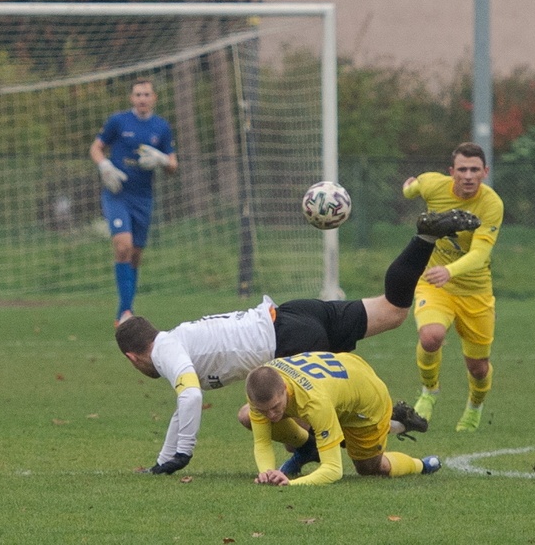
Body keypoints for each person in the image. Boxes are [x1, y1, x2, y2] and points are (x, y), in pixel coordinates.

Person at [115, 208, 480, 475]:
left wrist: (181, 456)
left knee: (285, 423)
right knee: (392, 311)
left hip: (288, 342)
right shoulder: (178, 336)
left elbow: (190, 396)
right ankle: (425, 238)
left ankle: (387, 424)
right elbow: (184, 406)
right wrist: (162, 461)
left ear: (133, 357)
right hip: (290, 314)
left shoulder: (164, 350)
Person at [403, 142, 504, 432]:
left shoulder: (491, 204)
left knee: (478, 368)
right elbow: (414, 187)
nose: (469, 176)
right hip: (435, 285)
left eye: (475, 170)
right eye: (463, 169)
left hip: (475, 292)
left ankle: (474, 406)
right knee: (431, 336)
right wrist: (408, 188)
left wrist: (450, 270)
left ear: (485, 172)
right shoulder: (434, 185)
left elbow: (481, 254)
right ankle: (429, 391)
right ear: (452, 172)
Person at [246, 351, 441, 486]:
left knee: (370, 468)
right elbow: (262, 442)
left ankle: (420, 463)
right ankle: (309, 448)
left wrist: (291, 483)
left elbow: (333, 470)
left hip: (367, 402)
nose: (270, 415)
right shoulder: (260, 386)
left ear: (284, 390)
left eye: (274, 407)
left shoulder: (314, 402)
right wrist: (267, 473)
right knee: (246, 415)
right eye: (263, 410)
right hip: (341, 380)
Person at [89, 78, 179, 325]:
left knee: (135, 255)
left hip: (143, 198)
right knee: (123, 246)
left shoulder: (161, 127)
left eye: (147, 94)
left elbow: (173, 164)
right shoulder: (118, 121)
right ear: (131, 98)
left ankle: (126, 306)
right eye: (138, 94)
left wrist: (162, 159)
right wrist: (104, 165)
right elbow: (96, 148)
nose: (142, 99)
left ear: (154, 98)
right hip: (117, 194)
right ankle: (124, 313)